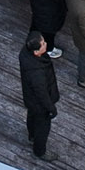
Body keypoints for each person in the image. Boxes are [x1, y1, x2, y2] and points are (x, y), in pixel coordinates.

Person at [18, 30, 61, 158]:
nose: (45, 44)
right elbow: (42, 94)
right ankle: (40, 151)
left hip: (30, 99)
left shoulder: (25, 54)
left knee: (31, 116)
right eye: (42, 44)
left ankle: (31, 135)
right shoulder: (37, 73)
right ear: (36, 52)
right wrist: (51, 108)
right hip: (40, 104)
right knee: (43, 128)